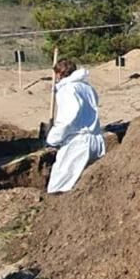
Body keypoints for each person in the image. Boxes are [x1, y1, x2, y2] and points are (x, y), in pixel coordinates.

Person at [45, 58, 106, 194]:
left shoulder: (68, 89)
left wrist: (53, 138)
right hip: (96, 140)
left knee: (59, 187)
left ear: (59, 74)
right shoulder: (87, 88)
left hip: (77, 144)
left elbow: (68, 118)